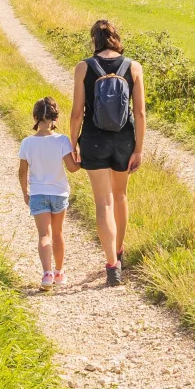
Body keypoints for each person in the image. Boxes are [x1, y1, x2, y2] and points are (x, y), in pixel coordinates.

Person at [68, 19, 145, 287]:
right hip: (124, 140)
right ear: (116, 38)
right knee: (120, 195)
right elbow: (140, 113)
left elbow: (77, 112)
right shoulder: (133, 67)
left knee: (103, 202)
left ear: (95, 40)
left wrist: (73, 143)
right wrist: (139, 148)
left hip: (94, 139)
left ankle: (111, 265)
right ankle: (120, 251)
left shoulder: (83, 68)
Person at [17, 97, 79, 290]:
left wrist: (25, 192)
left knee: (44, 235)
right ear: (56, 118)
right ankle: (60, 273)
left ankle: (46, 275)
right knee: (58, 233)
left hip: (38, 193)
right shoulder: (62, 141)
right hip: (59, 193)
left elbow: (22, 171)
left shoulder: (27, 143)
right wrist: (81, 158)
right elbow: (72, 168)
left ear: (35, 117)